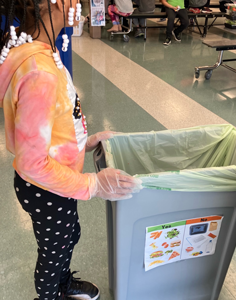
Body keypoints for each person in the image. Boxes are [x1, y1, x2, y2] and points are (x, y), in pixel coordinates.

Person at [0, 1, 143, 300]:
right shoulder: (39, 72)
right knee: (54, 254)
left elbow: (55, 122)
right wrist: (93, 183)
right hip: (45, 188)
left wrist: (86, 141)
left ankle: (63, 283)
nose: (78, 4)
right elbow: (31, 162)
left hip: (58, 180)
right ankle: (50, 294)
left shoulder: (42, 51)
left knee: (68, 236)